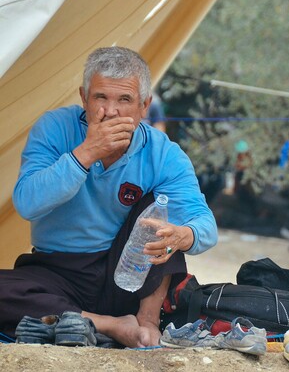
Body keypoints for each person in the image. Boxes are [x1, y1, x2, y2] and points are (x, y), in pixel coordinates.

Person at [0, 46, 218, 348]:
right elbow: (26, 202)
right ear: (83, 98)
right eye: (100, 97)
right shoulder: (53, 129)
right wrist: (86, 154)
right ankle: (111, 326)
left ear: (144, 106)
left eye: (124, 100)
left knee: (162, 211)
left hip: (129, 274)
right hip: (56, 271)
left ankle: (147, 321)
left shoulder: (162, 152)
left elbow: (205, 224)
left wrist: (183, 236)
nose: (111, 110)